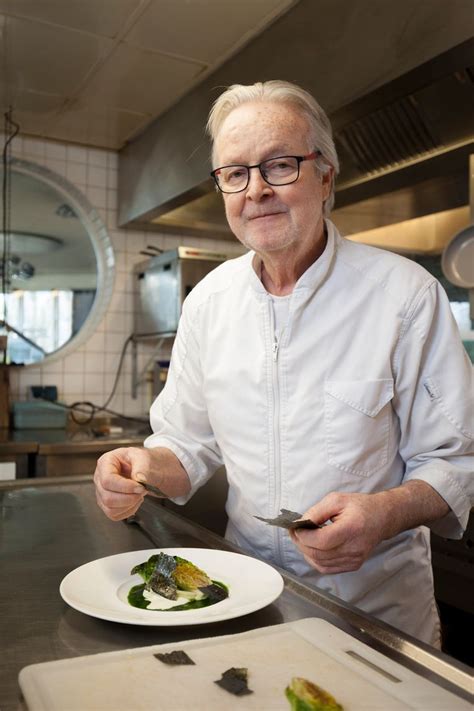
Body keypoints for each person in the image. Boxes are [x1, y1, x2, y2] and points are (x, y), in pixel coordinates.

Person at [94, 80, 473, 647]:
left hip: (376, 613)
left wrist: (384, 512)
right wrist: (141, 466)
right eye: (235, 173)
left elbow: (456, 460)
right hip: (246, 599)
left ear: (326, 176)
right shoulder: (208, 303)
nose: (256, 191)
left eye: (280, 165)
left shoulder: (404, 296)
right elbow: (187, 445)